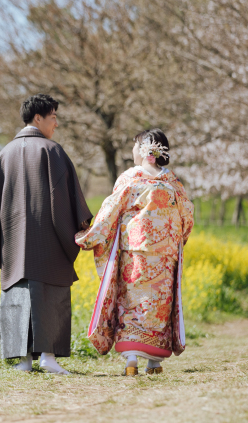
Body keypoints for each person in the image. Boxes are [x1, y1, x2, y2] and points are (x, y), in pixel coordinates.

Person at [0, 94, 93, 374]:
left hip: (14, 241)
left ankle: (24, 362)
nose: (56, 122)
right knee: (49, 293)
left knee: (18, 292)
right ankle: (48, 358)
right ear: (37, 118)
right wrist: (79, 227)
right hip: (50, 238)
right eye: (53, 116)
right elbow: (67, 199)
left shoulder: (4, 155)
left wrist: (0, 237)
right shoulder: (53, 152)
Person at [75, 128, 194, 376]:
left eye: (134, 145)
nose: (131, 150)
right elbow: (187, 216)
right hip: (165, 254)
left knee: (133, 301)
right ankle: (155, 362)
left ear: (143, 149)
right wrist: (174, 240)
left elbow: (111, 209)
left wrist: (89, 235)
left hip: (136, 252)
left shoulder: (131, 178)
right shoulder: (172, 181)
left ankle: (131, 359)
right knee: (160, 303)